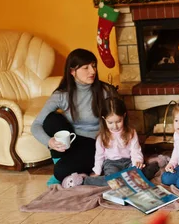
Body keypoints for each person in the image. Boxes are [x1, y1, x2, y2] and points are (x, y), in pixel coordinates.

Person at [31, 49, 117, 183]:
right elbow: (36, 125)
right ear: (72, 71)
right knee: (51, 120)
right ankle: (64, 161)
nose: (92, 71)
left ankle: (76, 168)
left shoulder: (106, 91)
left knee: (61, 171)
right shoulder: (61, 95)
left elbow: (119, 122)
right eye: (86, 68)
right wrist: (50, 142)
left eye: (94, 66)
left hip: (96, 143)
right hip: (73, 141)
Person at [60, 96, 159, 188]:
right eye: (110, 122)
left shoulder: (131, 132)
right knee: (113, 181)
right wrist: (97, 172)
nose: (115, 126)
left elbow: (135, 150)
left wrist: (136, 163)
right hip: (112, 164)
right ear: (104, 119)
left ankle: (153, 166)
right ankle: (84, 180)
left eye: (118, 121)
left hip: (128, 161)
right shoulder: (101, 137)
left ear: (124, 116)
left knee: (136, 175)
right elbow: (99, 156)